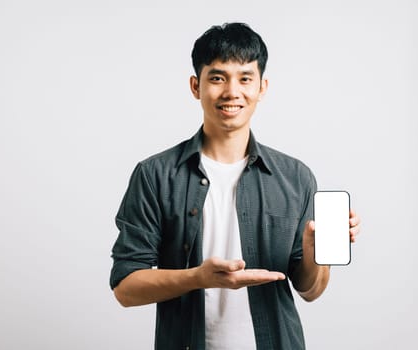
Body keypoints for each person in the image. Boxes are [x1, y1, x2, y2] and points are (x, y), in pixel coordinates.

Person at [110, 22, 360, 350]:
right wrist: (198, 278)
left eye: (245, 78)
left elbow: (311, 290)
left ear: (262, 87)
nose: (232, 91)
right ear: (195, 86)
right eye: (217, 77)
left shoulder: (295, 177)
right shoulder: (155, 174)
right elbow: (125, 288)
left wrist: (315, 255)